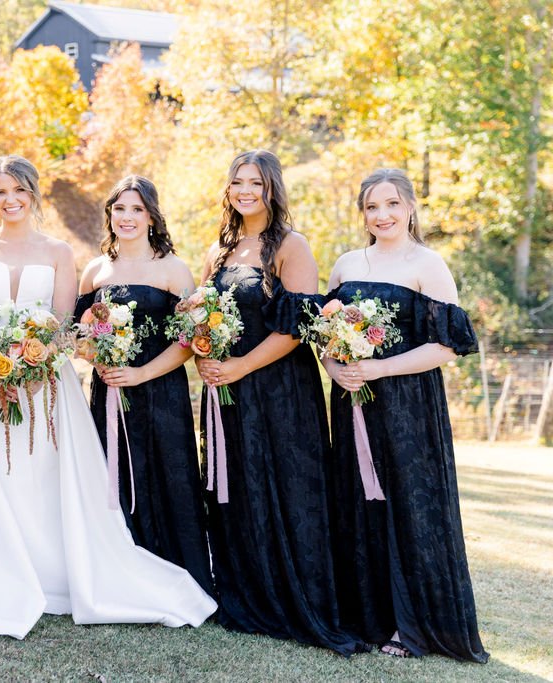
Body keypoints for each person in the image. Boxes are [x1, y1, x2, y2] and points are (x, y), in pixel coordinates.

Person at [0, 156, 217, 638]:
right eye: (0, 192)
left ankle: (51, 567)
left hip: (43, 385)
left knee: (39, 476)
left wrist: (27, 367)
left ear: (33, 195)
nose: (10, 200)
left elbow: (62, 326)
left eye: (19, 191)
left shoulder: (59, 252)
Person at [194, 150, 362, 654]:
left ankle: (296, 601)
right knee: (239, 489)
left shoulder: (292, 246)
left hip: (280, 389)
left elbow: (294, 329)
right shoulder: (218, 251)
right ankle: (248, 597)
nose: (245, 191)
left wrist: (241, 366)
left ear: (272, 189)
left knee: (289, 488)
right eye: (237, 182)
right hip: (225, 390)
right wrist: (203, 353)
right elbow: (201, 315)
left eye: (256, 183)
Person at [324, 168, 488, 662]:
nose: (383, 215)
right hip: (352, 401)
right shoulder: (347, 263)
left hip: (408, 406)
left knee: (408, 507)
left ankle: (410, 625)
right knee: (358, 502)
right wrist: (337, 369)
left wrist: (380, 368)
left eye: (393, 204)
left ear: (411, 206)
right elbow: (323, 335)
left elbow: (449, 346)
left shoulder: (428, 263)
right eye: (373, 207)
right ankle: (366, 616)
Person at [76, 176, 213, 596]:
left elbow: (192, 340)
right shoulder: (96, 270)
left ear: (152, 215)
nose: (128, 217)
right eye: (120, 209)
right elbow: (76, 335)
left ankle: (180, 574)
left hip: (160, 391)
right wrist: (99, 358)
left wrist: (141, 373)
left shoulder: (173, 269)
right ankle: (119, 576)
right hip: (110, 392)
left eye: (137, 209)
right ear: (110, 215)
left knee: (167, 474)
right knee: (112, 474)